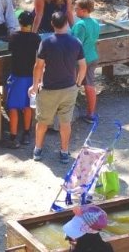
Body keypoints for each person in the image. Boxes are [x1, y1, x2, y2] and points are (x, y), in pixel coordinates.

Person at [30, 12, 87, 164]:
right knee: (65, 122)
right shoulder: (76, 42)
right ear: (67, 24)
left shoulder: (46, 42)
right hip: (69, 88)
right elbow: (82, 66)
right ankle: (64, 151)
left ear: (52, 24)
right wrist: (78, 83)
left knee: (42, 121)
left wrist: (35, 86)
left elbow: (38, 66)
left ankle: (38, 149)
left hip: (49, 89)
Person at [4, 11, 40, 148]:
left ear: (19, 22)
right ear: (32, 23)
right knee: (27, 106)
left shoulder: (14, 37)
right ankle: (26, 133)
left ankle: (13, 137)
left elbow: (10, 50)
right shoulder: (36, 38)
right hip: (30, 77)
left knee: (13, 107)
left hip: (17, 76)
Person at [72, 0, 101, 123]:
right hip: (93, 56)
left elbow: (76, 44)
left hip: (81, 60)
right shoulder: (95, 23)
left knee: (72, 84)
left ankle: (69, 112)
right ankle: (91, 114)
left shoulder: (80, 25)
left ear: (84, 10)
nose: (75, 11)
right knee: (90, 85)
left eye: (77, 9)